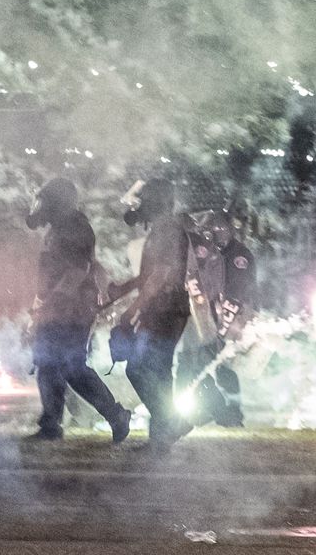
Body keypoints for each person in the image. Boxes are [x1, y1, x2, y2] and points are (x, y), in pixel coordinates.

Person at [26, 178, 130, 442]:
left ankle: (115, 415)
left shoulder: (75, 227)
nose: (41, 206)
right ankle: (52, 424)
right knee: (49, 363)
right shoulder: (60, 228)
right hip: (61, 308)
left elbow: (77, 270)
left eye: (46, 200)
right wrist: (42, 305)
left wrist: (52, 303)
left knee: (71, 367)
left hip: (72, 310)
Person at [110, 179, 190, 449]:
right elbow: (150, 275)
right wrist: (123, 290)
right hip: (167, 308)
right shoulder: (164, 229)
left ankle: (171, 423)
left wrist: (133, 308)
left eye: (144, 200)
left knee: (139, 368)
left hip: (165, 309)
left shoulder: (167, 229)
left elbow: (160, 275)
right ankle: (162, 436)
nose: (140, 206)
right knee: (159, 372)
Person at [184, 207, 253, 428]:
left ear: (230, 229)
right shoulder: (210, 252)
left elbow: (237, 293)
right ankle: (212, 411)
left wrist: (224, 326)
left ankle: (231, 412)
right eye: (211, 230)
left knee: (222, 367)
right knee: (203, 363)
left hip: (229, 318)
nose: (215, 233)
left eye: (219, 229)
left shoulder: (239, 255)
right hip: (210, 317)